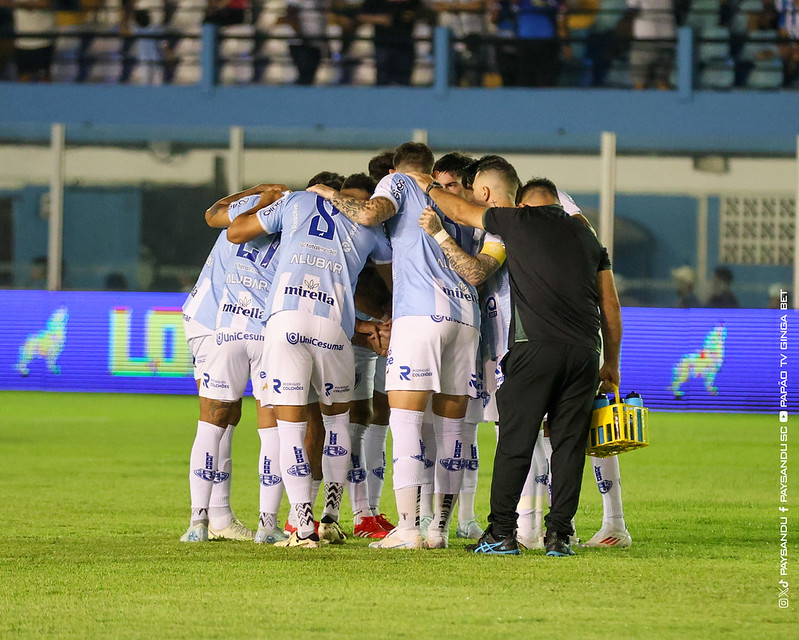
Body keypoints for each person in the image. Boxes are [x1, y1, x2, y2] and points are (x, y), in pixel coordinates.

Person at [408, 164, 622, 557]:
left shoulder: (518, 221)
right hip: (584, 353)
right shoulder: (588, 237)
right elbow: (610, 303)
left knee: (515, 442)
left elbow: (458, 211)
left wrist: (428, 187)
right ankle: (559, 535)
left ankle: (502, 533)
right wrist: (612, 362)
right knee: (569, 444)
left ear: (525, 202)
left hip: (534, 347)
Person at [309, 142, 482, 550]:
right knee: (451, 429)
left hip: (421, 315)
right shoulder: (456, 198)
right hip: (466, 317)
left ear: (400, 168)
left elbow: (370, 213)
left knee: (405, 423)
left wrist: (331, 196)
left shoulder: (398, 182)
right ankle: (438, 530)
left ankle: (407, 530)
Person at [228, 179, 393, 548]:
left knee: (290, 428)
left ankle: (302, 527)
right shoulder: (370, 226)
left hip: (285, 318)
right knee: (338, 423)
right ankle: (331, 518)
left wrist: (262, 200)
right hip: (333, 325)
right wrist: (391, 316)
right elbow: (392, 277)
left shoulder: (297, 202)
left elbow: (236, 232)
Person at [180, 183, 289, 543]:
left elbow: (213, 214)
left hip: (229, 321)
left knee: (227, 415)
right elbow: (213, 217)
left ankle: (216, 515)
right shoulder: (291, 213)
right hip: (211, 318)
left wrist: (257, 192)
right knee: (223, 414)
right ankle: (220, 517)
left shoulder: (263, 203)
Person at [360, 0, 421, 85]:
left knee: (403, 80)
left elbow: (421, 11)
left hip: (404, 45)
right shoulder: (375, 2)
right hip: (383, 44)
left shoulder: (412, 3)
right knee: (382, 79)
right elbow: (360, 15)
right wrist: (379, 19)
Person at [278, 0, 328, 85]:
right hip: (299, 42)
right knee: (300, 76)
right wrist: (301, 34)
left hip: (317, 40)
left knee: (313, 77)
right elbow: (291, 11)